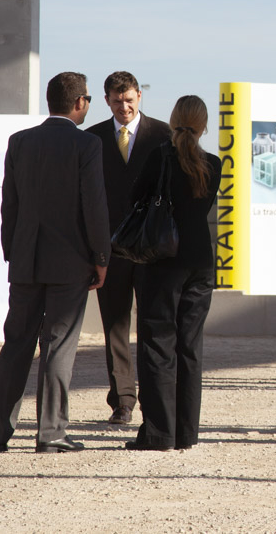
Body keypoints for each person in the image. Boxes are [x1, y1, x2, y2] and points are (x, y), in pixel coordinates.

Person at [0, 72, 111, 453]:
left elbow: (10, 205)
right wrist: (101, 256)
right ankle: (51, 433)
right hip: (69, 263)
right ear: (79, 103)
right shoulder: (87, 144)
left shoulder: (20, 141)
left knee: (16, 346)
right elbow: (94, 206)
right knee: (58, 346)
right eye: (88, 98)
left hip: (25, 261)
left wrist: (12, 252)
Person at [125, 95, 222, 451]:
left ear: (173, 119)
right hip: (200, 261)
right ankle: (186, 434)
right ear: (203, 124)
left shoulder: (159, 156)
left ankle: (159, 434)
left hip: (163, 260)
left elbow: (137, 198)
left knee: (157, 345)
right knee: (190, 348)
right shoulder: (213, 163)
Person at [86, 71, 172, 425]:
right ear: (106, 100)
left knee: (154, 326)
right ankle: (123, 400)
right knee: (115, 327)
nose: (124, 106)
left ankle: (156, 401)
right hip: (110, 249)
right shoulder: (91, 140)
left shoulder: (164, 136)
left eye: (129, 99)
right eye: (117, 100)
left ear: (140, 96)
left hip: (152, 249)